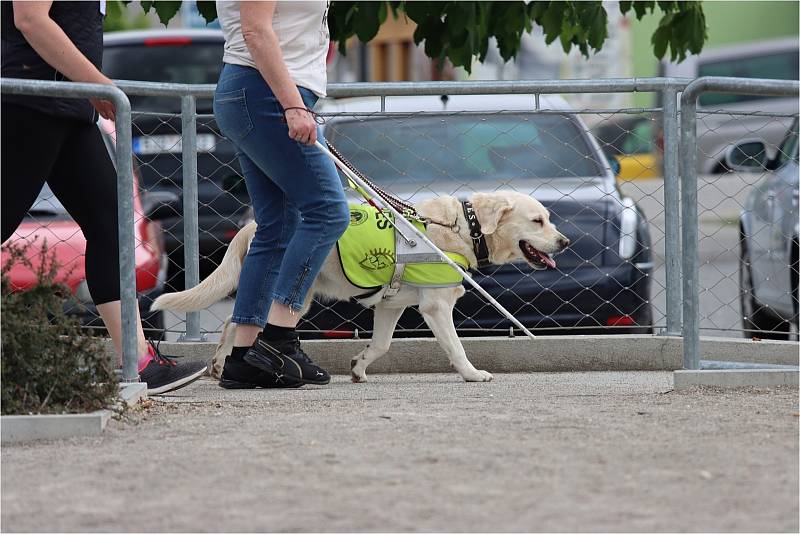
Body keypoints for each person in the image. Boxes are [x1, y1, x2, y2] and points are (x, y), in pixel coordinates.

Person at [1, 1, 207, 394]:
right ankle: (138, 359)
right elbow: (28, 19)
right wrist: (100, 83)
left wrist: (90, 85)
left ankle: (137, 359)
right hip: (31, 101)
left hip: (68, 105)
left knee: (111, 225)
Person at [213, 1, 350, 389]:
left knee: (278, 226)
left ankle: (244, 357)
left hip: (266, 93)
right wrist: (292, 104)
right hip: (266, 94)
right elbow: (255, 31)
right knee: (328, 213)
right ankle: (278, 339)